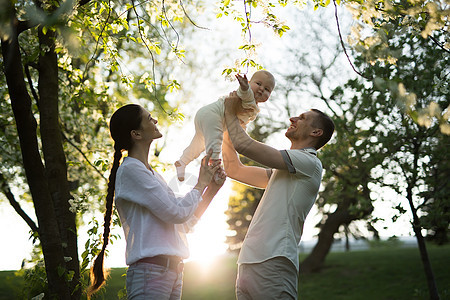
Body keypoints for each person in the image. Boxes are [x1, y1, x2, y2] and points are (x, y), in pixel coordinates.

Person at [88, 104, 226, 299]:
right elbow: (176, 213)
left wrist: (211, 189)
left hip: (173, 272)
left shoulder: (151, 175)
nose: (155, 121)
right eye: (149, 118)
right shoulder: (131, 171)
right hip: (150, 273)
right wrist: (200, 183)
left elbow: (183, 223)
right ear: (136, 134)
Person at [222, 92, 335, 300]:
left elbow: (244, 145)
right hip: (248, 263)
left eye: (302, 118)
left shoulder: (309, 163)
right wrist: (230, 126)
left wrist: (230, 113)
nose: (293, 119)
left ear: (316, 132)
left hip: (274, 262)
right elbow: (233, 169)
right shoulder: (281, 172)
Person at [175, 70, 275, 181]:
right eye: (258, 84)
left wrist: (241, 134)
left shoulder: (255, 108)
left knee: (198, 144)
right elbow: (244, 93)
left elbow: (240, 124)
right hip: (213, 115)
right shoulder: (249, 96)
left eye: (267, 89)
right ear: (249, 82)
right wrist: (245, 86)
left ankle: (182, 162)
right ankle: (214, 170)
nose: (261, 89)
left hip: (205, 116)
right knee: (215, 143)